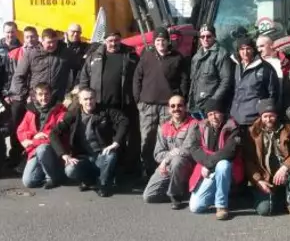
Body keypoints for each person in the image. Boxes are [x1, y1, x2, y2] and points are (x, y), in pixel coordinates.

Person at [50, 87, 128, 197]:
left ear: (96, 98)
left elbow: (124, 121)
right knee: (70, 170)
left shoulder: (106, 111)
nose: (89, 102)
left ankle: (103, 184)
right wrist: (64, 155)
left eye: (91, 98)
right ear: (80, 101)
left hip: (102, 155)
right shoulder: (72, 114)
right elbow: (53, 134)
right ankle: (89, 180)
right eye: (85, 99)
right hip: (83, 157)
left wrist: (116, 143)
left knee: (111, 156)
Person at [80, 30, 138, 175]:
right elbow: (84, 78)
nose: (113, 44)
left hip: (122, 105)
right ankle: (99, 169)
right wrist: (84, 96)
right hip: (99, 105)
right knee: (100, 137)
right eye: (110, 41)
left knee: (121, 138)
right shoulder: (94, 55)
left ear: (120, 40)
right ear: (105, 41)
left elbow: (138, 78)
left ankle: (120, 170)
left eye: (116, 40)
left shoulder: (130, 56)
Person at [133, 27, 189, 177]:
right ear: (154, 42)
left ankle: (164, 169)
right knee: (147, 137)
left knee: (166, 138)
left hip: (168, 106)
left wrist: (181, 99)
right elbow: (137, 78)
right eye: (158, 40)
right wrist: (138, 100)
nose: (160, 43)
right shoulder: (146, 56)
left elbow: (184, 80)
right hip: (148, 105)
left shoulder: (177, 58)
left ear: (168, 41)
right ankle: (146, 169)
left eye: (163, 40)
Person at [246, 99, 290, 217]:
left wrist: (286, 167)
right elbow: (248, 161)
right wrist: (258, 180)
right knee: (265, 210)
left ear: (276, 115)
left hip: (284, 173)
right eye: (265, 116)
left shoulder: (289, 129)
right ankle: (275, 197)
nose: (268, 119)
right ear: (261, 116)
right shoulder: (252, 132)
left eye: (271, 116)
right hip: (265, 178)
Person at [185, 99, 245, 220]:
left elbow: (229, 152)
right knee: (196, 207)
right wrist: (206, 164)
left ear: (222, 113)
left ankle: (221, 205)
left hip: (228, 170)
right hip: (209, 169)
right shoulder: (200, 126)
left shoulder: (233, 127)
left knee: (223, 164)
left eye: (216, 113)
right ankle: (220, 193)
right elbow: (194, 148)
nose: (214, 117)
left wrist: (208, 165)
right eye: (210, 114)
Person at [143, 95, 197, 208]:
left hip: (188, 165)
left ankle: (175, 196)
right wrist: (167, 159)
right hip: (167, 166)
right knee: (149, 196)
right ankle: (184, 192)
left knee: (178, 160)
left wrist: (167, 159)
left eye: (179, 105)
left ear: (185, 107)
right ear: (169, 109)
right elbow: (158, 153)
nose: (176, 108)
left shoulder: (194, 124)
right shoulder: (164, 127)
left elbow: (188, 149)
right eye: (173, 106)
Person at [17, 83, 67, 189]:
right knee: (29, 182)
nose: (43, 97)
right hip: (34, 150)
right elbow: (21, 131)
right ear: (35, 96)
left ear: (51, 94)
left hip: (53, 150)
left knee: (42, 149)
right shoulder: (31, 111)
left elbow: (54, 136)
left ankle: (52, 177)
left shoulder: (60, 110)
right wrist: (34, 136)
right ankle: (49, 172)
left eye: (46, 94)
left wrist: (32, 142)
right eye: (40, 94)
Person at [10, 28, 79, 105]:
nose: (52, 45)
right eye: (49, 42)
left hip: (57, 99)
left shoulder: (66, 53)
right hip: (36, 99)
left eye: (54, 42)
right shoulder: (32, 54)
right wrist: (26, 95)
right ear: (42, 41)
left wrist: (74, 91)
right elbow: (18, 77)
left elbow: (81, 68)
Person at [6, 25, 39, 169]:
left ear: (37, 38)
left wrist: (32, 94)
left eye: (33, 36)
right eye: (27, 37)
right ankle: (14, 156)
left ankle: (29, 156)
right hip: (17, 97)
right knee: (16, 127)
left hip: (34, 98)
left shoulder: (42, 53)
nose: (30, 40)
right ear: (23, 38)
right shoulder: (13, 54)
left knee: (32, 127)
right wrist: (7, 93)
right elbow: (7, 76)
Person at [229, 36, 279, 129]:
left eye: (248, 48)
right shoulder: (235, 66)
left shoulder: (266, 68)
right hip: (235, 117)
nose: (245, 52)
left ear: (253, 50)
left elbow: (273, 94)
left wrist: (265, 113)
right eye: (242, 49)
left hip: (255, 119)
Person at [188, 24, 232, 117]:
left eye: (208, 36)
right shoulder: (196, 57)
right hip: (196, 105)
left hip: (211, 107)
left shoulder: (221, 54)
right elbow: (193, 81)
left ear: (214, 37)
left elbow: (226, 81)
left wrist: (213, 100)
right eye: (202, 36)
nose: (205, 39)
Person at [0, 21, 21, 100]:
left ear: (16, 32)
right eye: (8, 32)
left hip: (15, 89)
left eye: (12, 32)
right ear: (3, 32)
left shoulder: (22, 49)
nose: (10, 35)